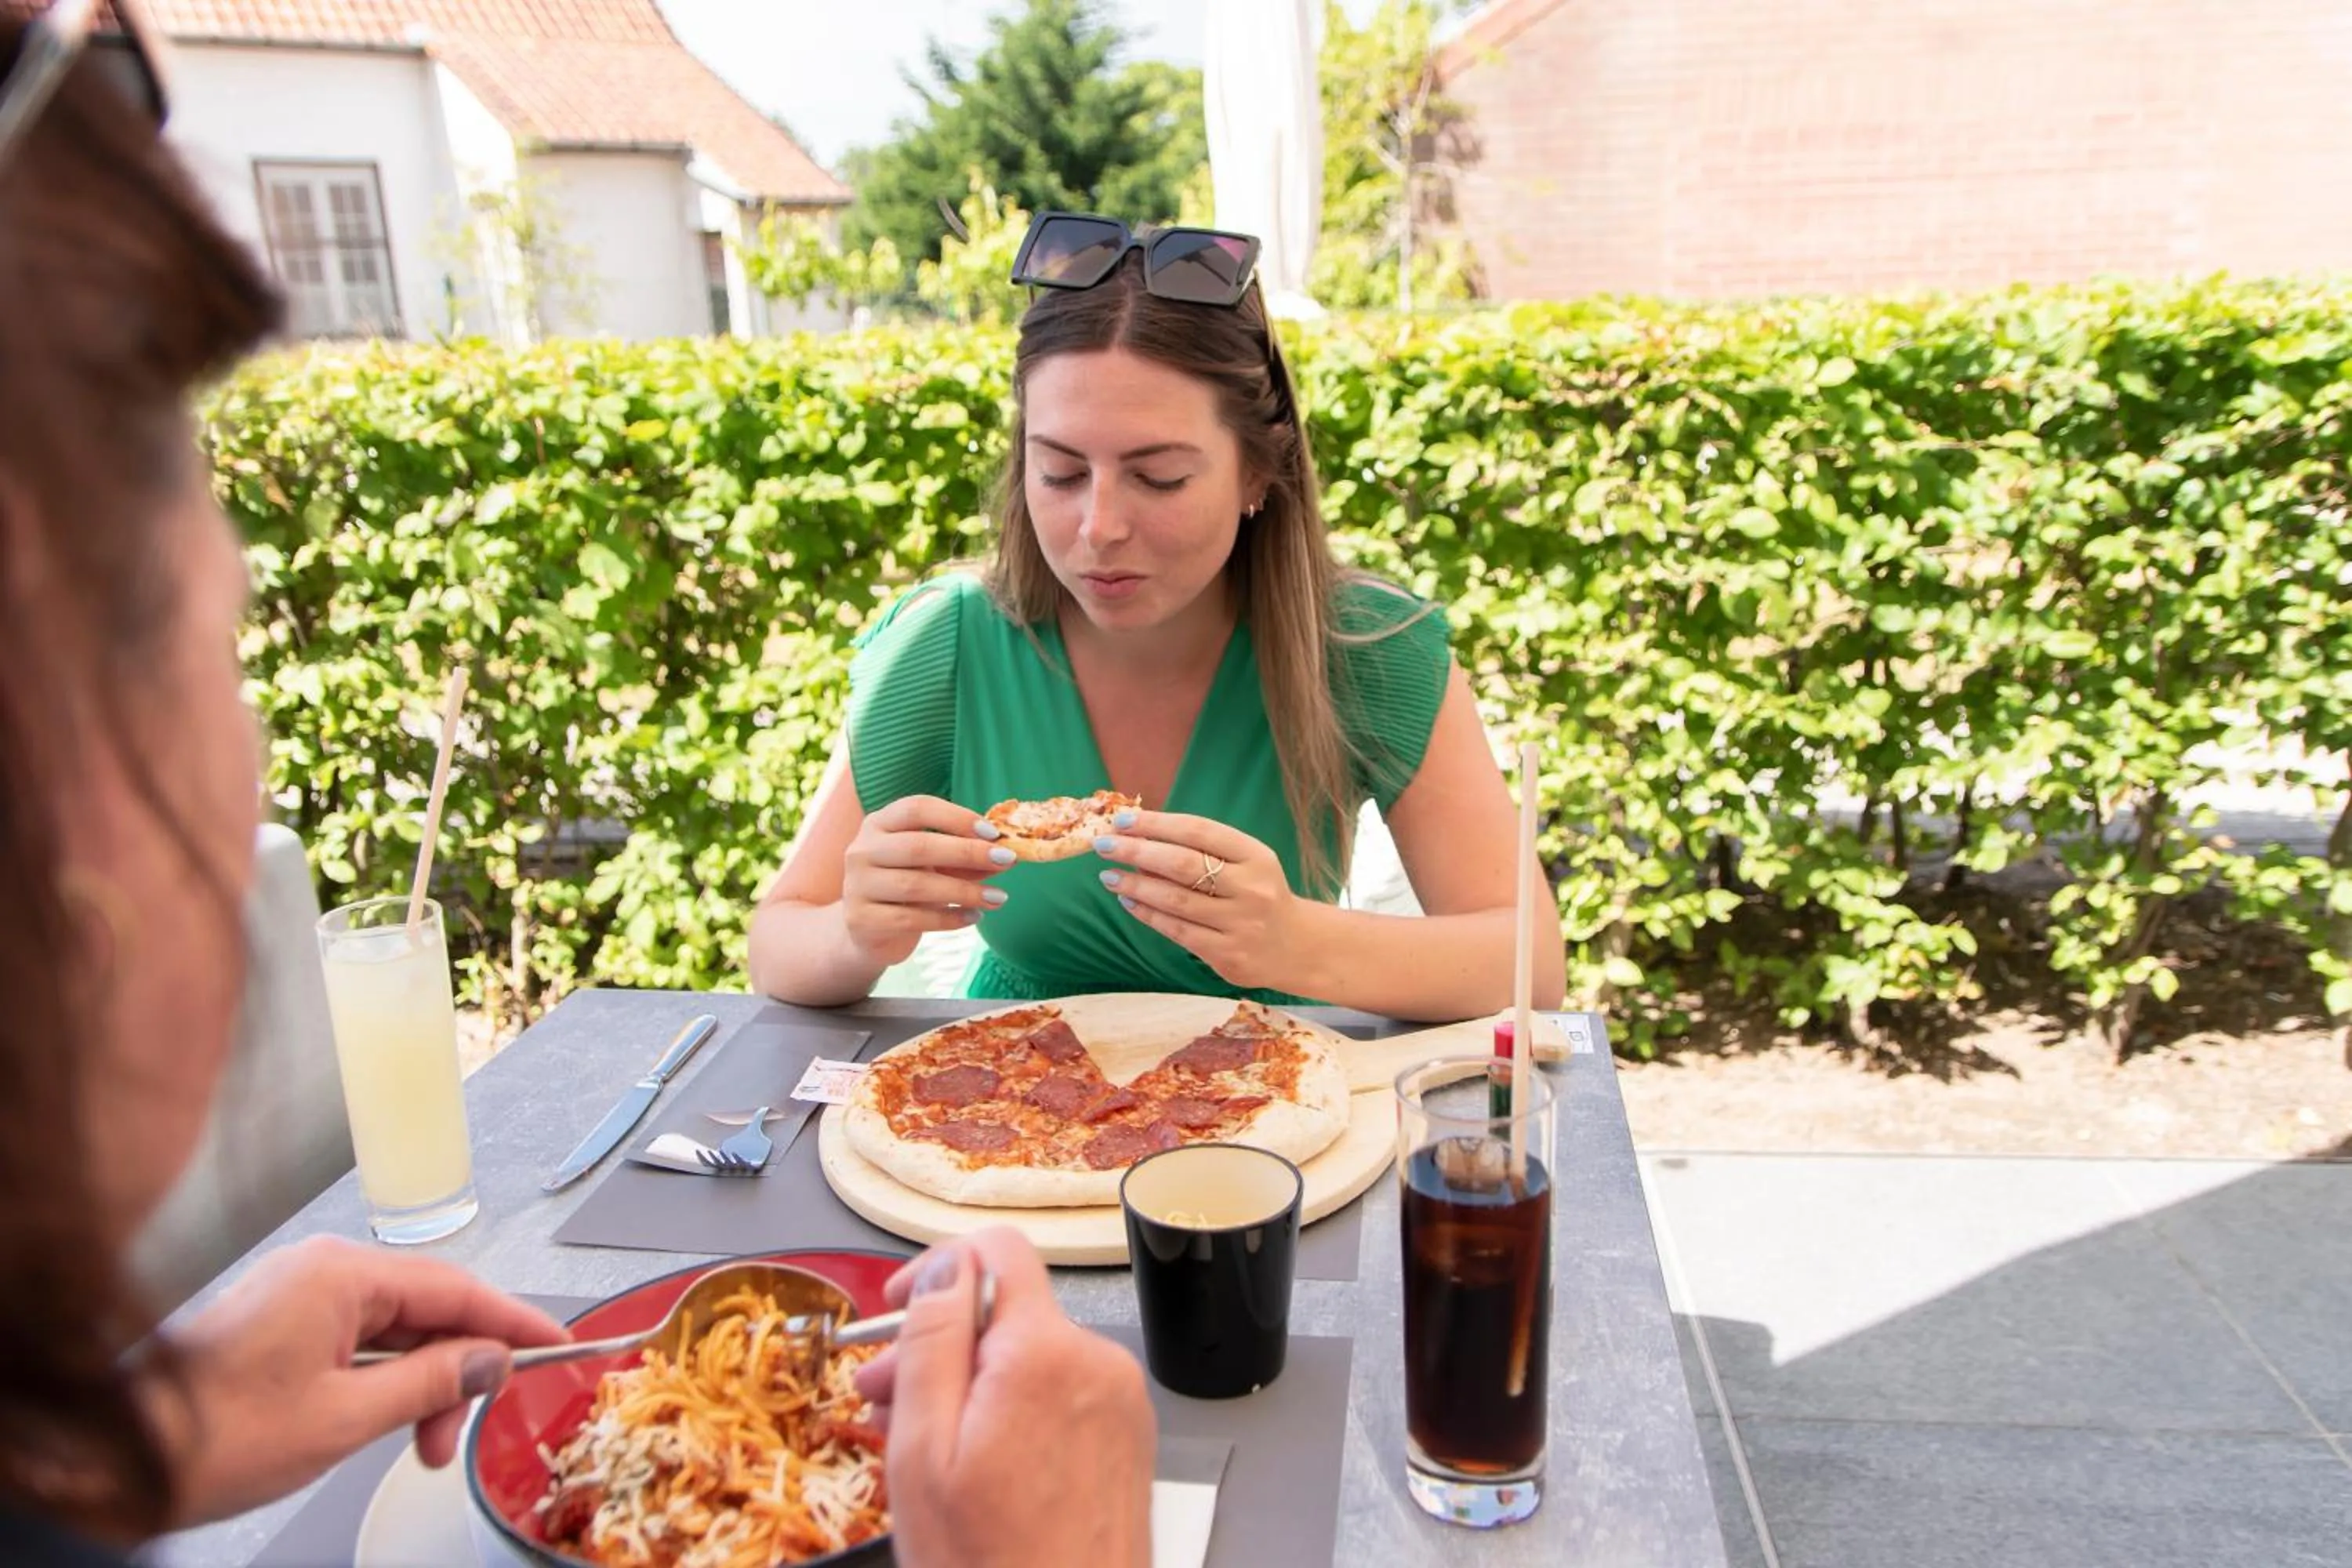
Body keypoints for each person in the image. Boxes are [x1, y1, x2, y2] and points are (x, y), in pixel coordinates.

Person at [0, 14, 1149, 1566]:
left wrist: (114, 1452)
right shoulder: (951, 645)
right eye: (199, 640)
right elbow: (789, 940)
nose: (246, 769)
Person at [749, 212, 1567, 1022]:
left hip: (1277, 1111)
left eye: (1161, 477)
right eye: (1062, 473)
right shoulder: (946, 641)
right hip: (1010, 1104)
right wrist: (857, 932)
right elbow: (777, 942)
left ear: (1259, 471)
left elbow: (1528, 964)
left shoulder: (1366, 647)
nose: (1099, 526)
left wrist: (1296, 943)